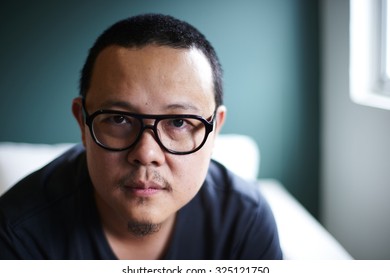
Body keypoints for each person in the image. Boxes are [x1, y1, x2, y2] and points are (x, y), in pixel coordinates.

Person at [0, 14, 282, 260]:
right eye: (119, 119)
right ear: (83, 123)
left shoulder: (245, 221)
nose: (146, 153)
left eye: (179, 122)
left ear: (215, 130)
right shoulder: (18, 234)